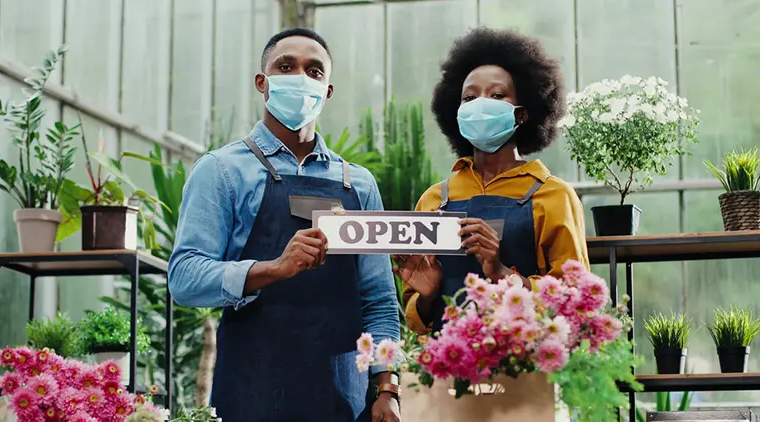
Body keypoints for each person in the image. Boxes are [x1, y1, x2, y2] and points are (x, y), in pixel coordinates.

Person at [169, 28, 401, 422]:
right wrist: (273, 268)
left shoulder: (358, 184)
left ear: (327, 91)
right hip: (251, 391)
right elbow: (185, 278)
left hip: (344, 396)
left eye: (314, 71)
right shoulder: (222, 171)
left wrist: (387, 389)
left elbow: (378, 300)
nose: (300, 78)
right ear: (263, 83)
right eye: (286, 66)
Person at [396, 28, 589, 335]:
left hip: (527, 369)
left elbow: (575, 300)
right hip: (451, 370)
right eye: (469, 98)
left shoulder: (554, 196)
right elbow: (418, 322)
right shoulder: (434, 199)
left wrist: (503, 275)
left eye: (497, 95)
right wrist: (429, 294)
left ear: (522, 114)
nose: (480, 105)